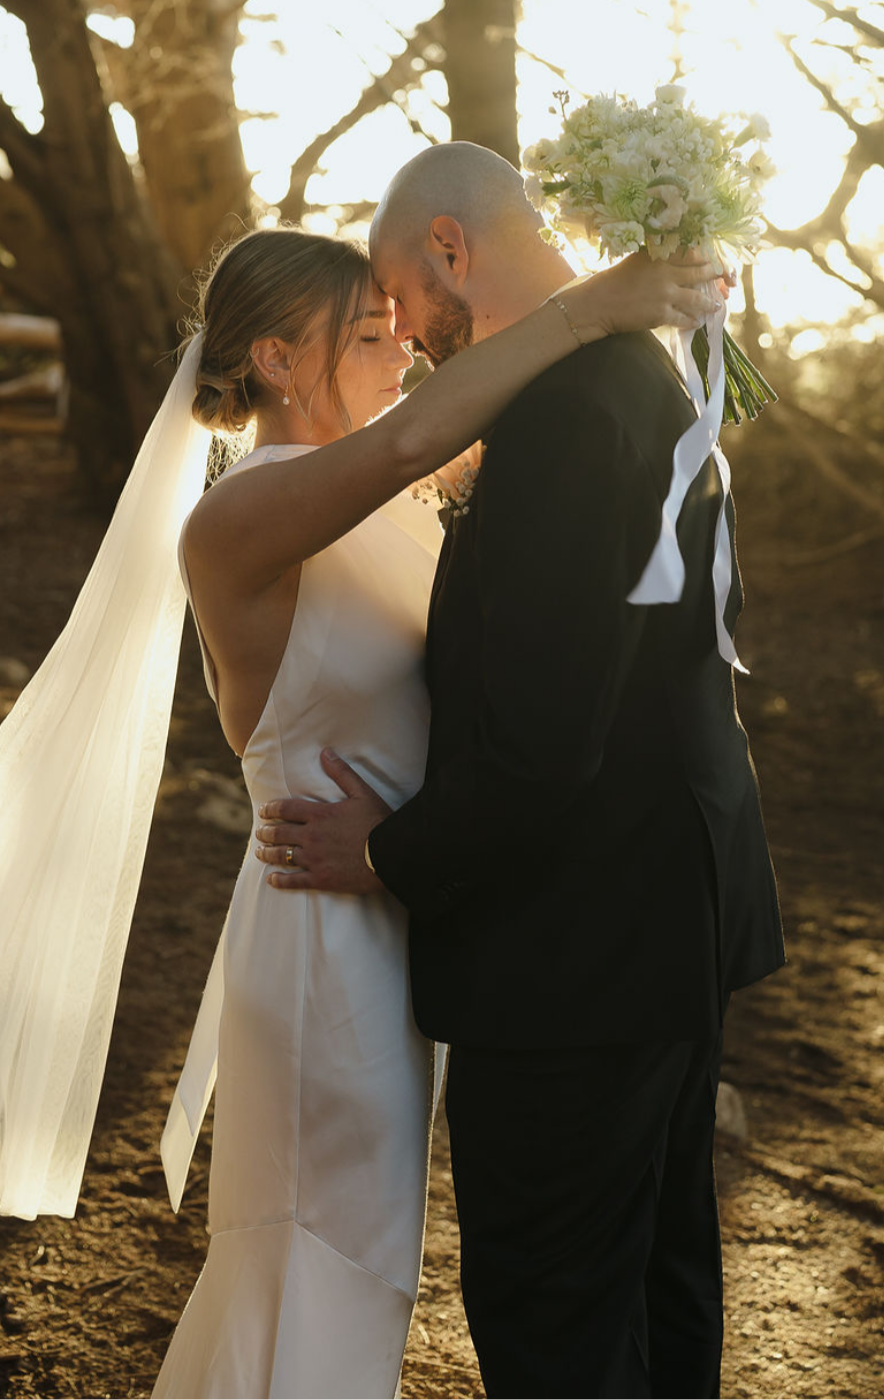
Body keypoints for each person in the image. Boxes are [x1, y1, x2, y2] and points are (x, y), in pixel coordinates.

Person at [149, 222, 720, 1399]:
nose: (401, 348)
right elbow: (423, 427)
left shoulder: (397, 487)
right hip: (317, 928)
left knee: (371, 1257)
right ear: (273, 358)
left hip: (401, 905)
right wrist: (595, 301)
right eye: (368, 332)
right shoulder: (239, 519)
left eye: (398, 324)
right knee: (323, 1247)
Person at [254, 143, 787, 1400]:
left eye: (399, 294)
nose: (403, 331)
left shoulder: (556, 415)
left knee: (556, 1314)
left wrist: (389, 852)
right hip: (672, 906)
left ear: (451, 247)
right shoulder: (637, 369)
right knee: (658, 1291)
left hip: (577, 953)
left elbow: (544, 742)